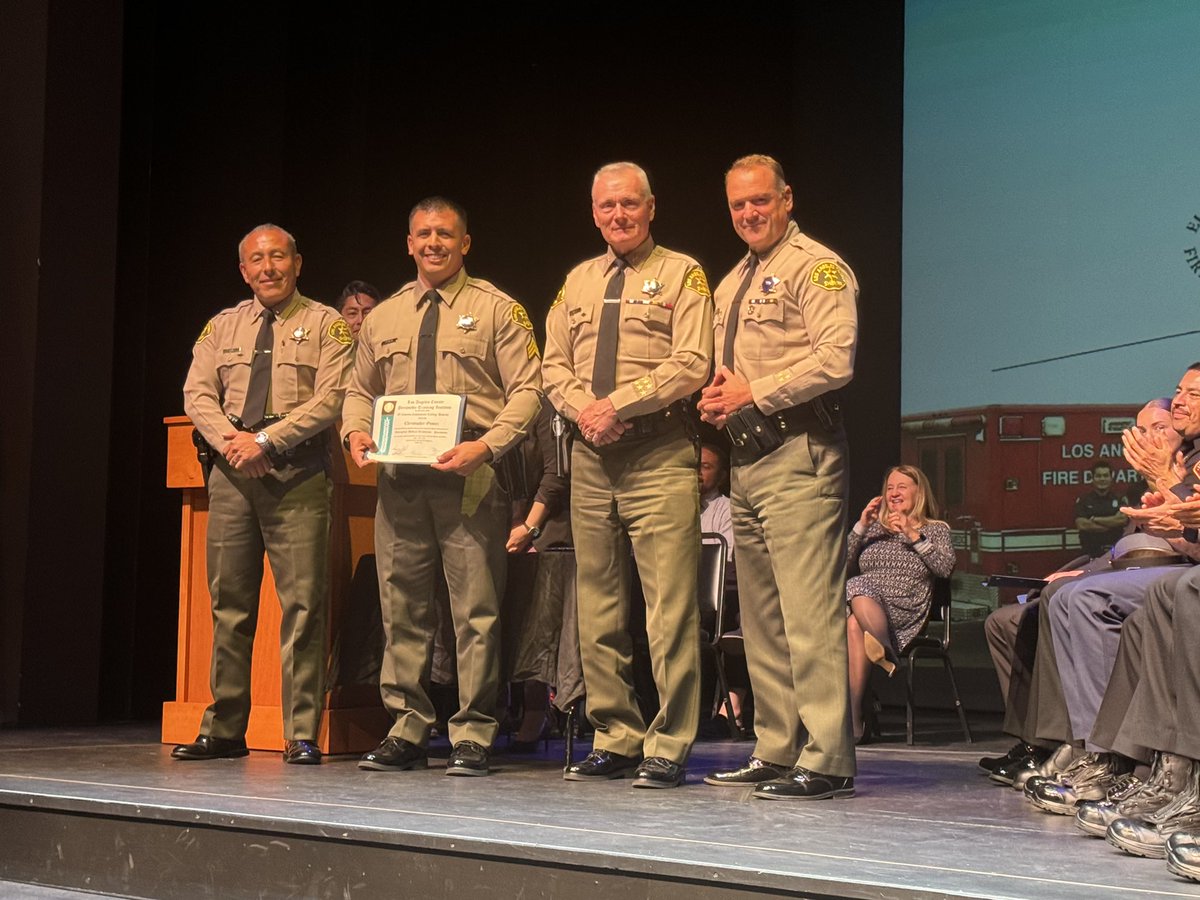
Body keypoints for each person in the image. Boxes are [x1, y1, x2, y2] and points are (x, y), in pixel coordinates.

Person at [342, 197, 541, 777]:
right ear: (409, 244)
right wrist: (355, 431)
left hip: (471, 474)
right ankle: (406, 727)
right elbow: (360, 389)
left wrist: (487, 445)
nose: (434, 243)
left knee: (474, 610)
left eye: (445, 234)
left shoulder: (498, 309)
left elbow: (528, 389)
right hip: (399, 477)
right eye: (424, 234)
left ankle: (474, 731)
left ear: (465, 243)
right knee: (399, 607)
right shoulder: (384, 317)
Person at [542, 161, 712, 789]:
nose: (619, 215)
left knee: (668, 609)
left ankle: (669, 743)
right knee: (599, 606)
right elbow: (551, 364)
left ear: (651, 206)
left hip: (658, 451)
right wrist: (588, 410)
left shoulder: (682, 272)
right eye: (607, 206)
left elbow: (693, 360)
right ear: (594, 212)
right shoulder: (577, 280)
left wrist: (618, 403)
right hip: (592, 458)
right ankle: (615, 735)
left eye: (630, 205)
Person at [699, 154, 859, 800]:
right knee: (761, 615)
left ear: (787, 199)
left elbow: (837, 358)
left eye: (760, 201)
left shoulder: (816, 266)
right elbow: (725, 372)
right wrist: (715, 400)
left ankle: (826, 757)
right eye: (738, 205)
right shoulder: (734, 278)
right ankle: (775, 746)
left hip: (802, 453)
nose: (749, 214)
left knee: (808, 610)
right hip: (748, 458)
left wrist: (752, 392)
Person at [177, 224, 354, 765]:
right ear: (244, 270)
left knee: (303, 606)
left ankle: (299, 731)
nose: (268, 267)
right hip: (232, 478)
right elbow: (196, 392)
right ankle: (225, 726)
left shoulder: (327, 325)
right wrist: (231, 441)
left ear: (297, 263)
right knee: (229, 605)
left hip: (295, 476)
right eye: (257, 259)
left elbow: (332, 398)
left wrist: (266, 440)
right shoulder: (220, 326)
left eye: (278, 257)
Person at [846, 465, 955, 740]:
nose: (894, 493)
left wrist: (913, 534)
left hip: (905, 608)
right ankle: (857, 713)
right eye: (890, 487)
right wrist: (861, 525)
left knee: (856, 591)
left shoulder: (935, 529)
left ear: (919, 492)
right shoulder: (872, 530)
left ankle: (855, 717)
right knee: (853, 621)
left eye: (902, 487)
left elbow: (944, 568)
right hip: (866, 607)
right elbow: (839, 566)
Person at [1074, 462, 1129, 559]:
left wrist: (1095, 519)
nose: (1102, 479)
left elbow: (1122, 520)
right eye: (1098, 476)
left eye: (1105, 476)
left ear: (1111, 478)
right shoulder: (1084, 500)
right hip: (1090, 553)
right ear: (1092, 478)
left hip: (1116, 553)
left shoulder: (1120, 498)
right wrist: (1111, 523)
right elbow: (1081, 525)